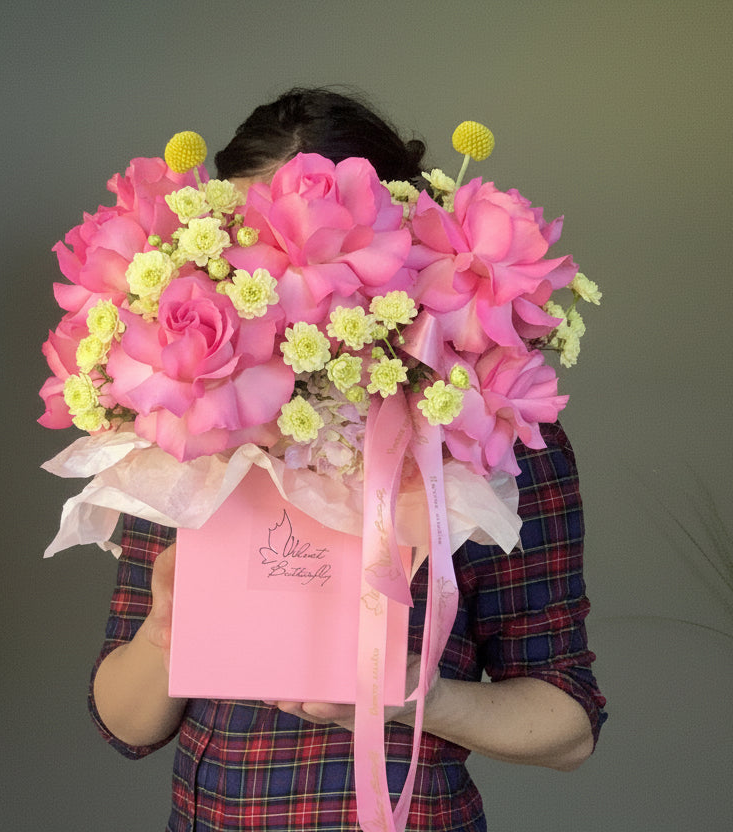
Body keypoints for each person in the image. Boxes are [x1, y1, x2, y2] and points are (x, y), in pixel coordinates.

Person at [88, 87, 607, 832]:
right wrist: (167, 625)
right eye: (249, 253)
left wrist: (411, 697)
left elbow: (569, 726)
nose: (273, 284)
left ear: (398, 250)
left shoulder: (487, 427)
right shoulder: (185, 424)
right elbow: (126, 724)